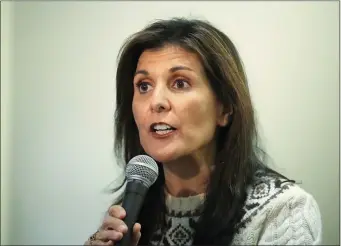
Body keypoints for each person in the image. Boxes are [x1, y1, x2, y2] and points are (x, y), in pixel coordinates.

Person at [85, 18, 322, 246]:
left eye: (180, 83)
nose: (156, 102)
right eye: (144, 86)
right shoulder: (128, 215)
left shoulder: (283, 212)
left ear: (225, 107)